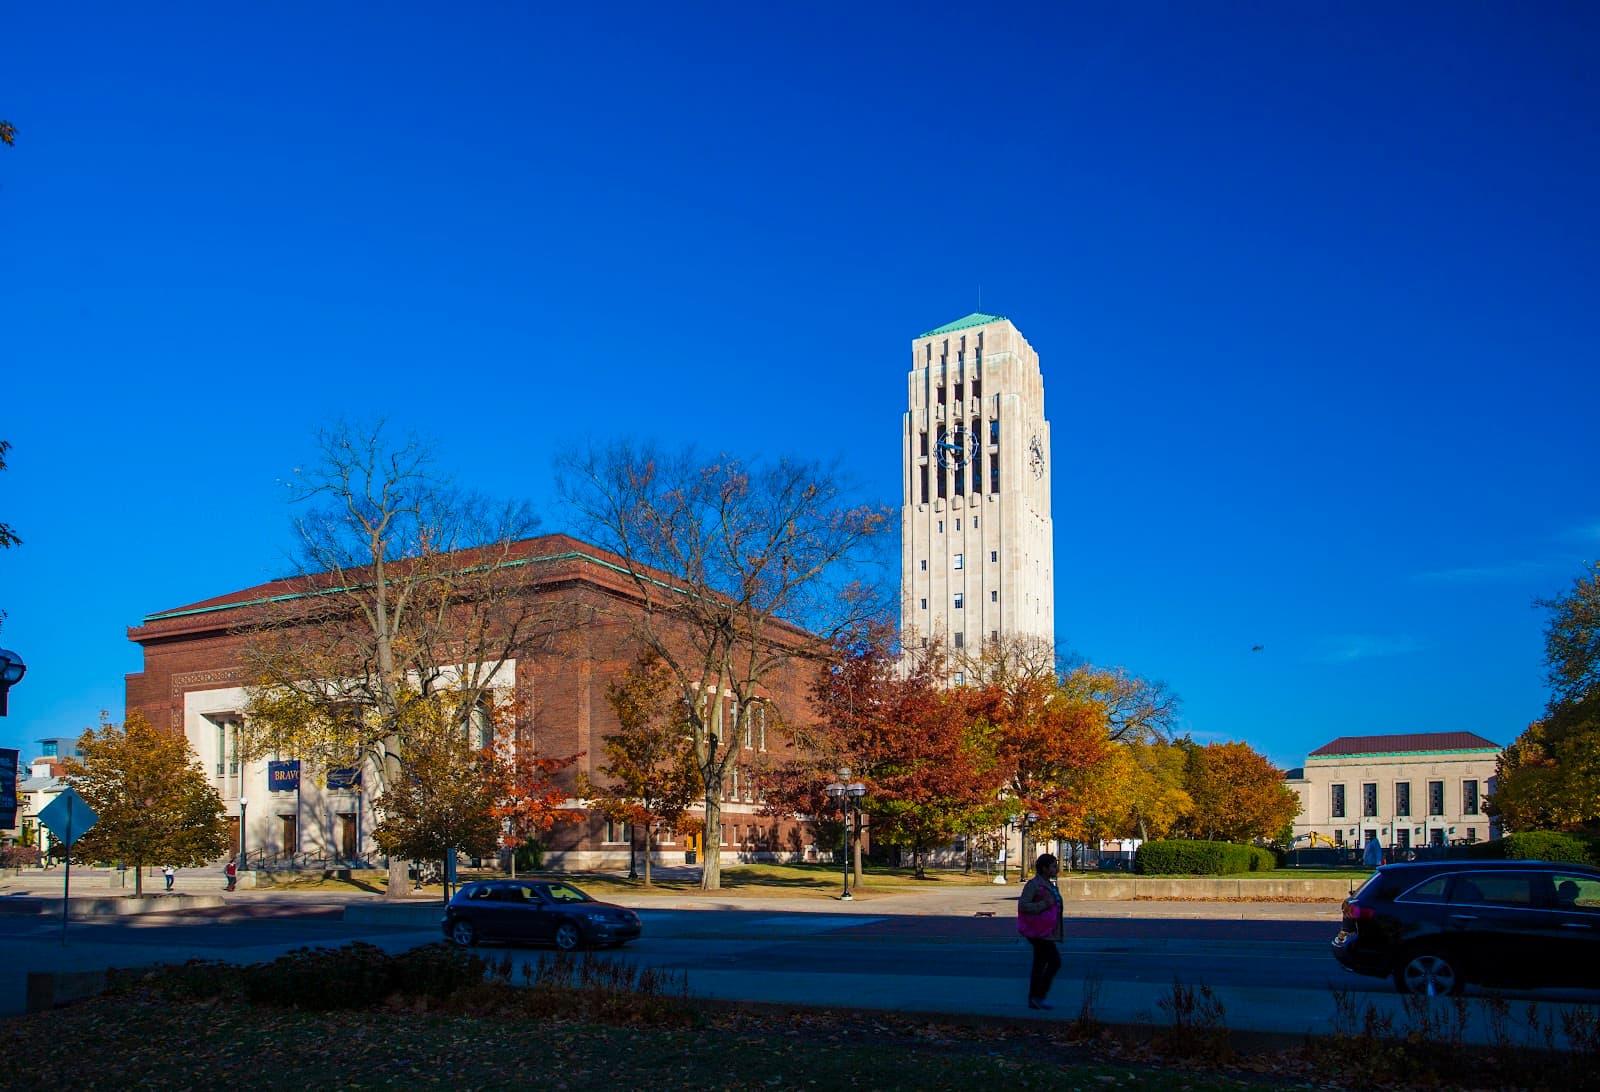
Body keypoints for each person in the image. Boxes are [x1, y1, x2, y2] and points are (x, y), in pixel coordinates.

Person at [1016, 852, 1063, 1010]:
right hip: (1037, 931)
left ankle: (1035, 998)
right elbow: (1023, 905)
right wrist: (1043, 904)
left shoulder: (1050, 884)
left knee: (1040, 963)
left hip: (1046, 930)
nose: (1057, 869)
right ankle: (1038, 996)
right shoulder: (1034, 885)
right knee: (1054, 962)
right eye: (1053, 866)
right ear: (1044, 868)